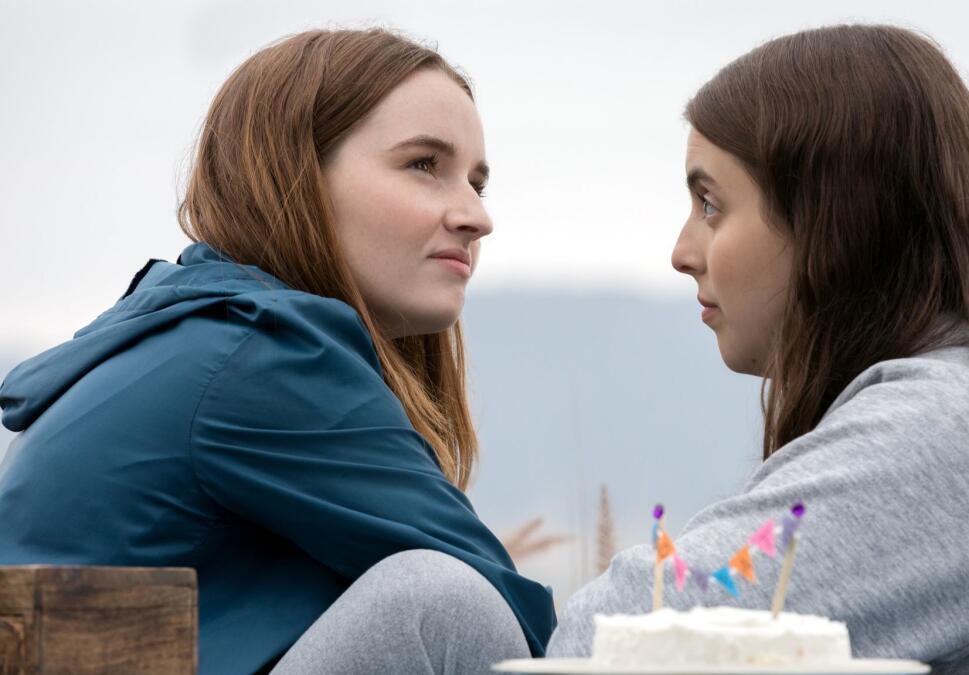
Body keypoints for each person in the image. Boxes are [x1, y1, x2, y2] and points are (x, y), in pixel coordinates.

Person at [547, 24, 969, 672]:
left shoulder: (948, 427)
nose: (683, 252)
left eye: (711, 204)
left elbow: (608, 640)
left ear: (831, 221)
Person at [0, 28, 555, 674]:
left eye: (477, 183)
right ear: (298, 175)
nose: (475, 215)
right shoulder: (260, 356)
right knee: (446, 601)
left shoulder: (200, 335)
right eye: (424, 165)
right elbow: (514, 622)